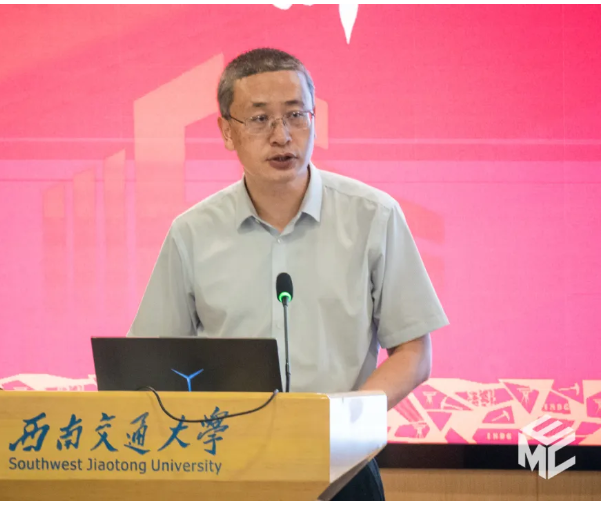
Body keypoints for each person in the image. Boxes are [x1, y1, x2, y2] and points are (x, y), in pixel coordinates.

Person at [128, 48, 449, 501]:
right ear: (226, 131)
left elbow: (414, 350)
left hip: (343, 468)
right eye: (260, 119)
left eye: (296, 115)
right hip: (227, 467)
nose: (282, 136)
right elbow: (151, 359)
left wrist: (347, 418)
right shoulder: (192, 233)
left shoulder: (372, 216)